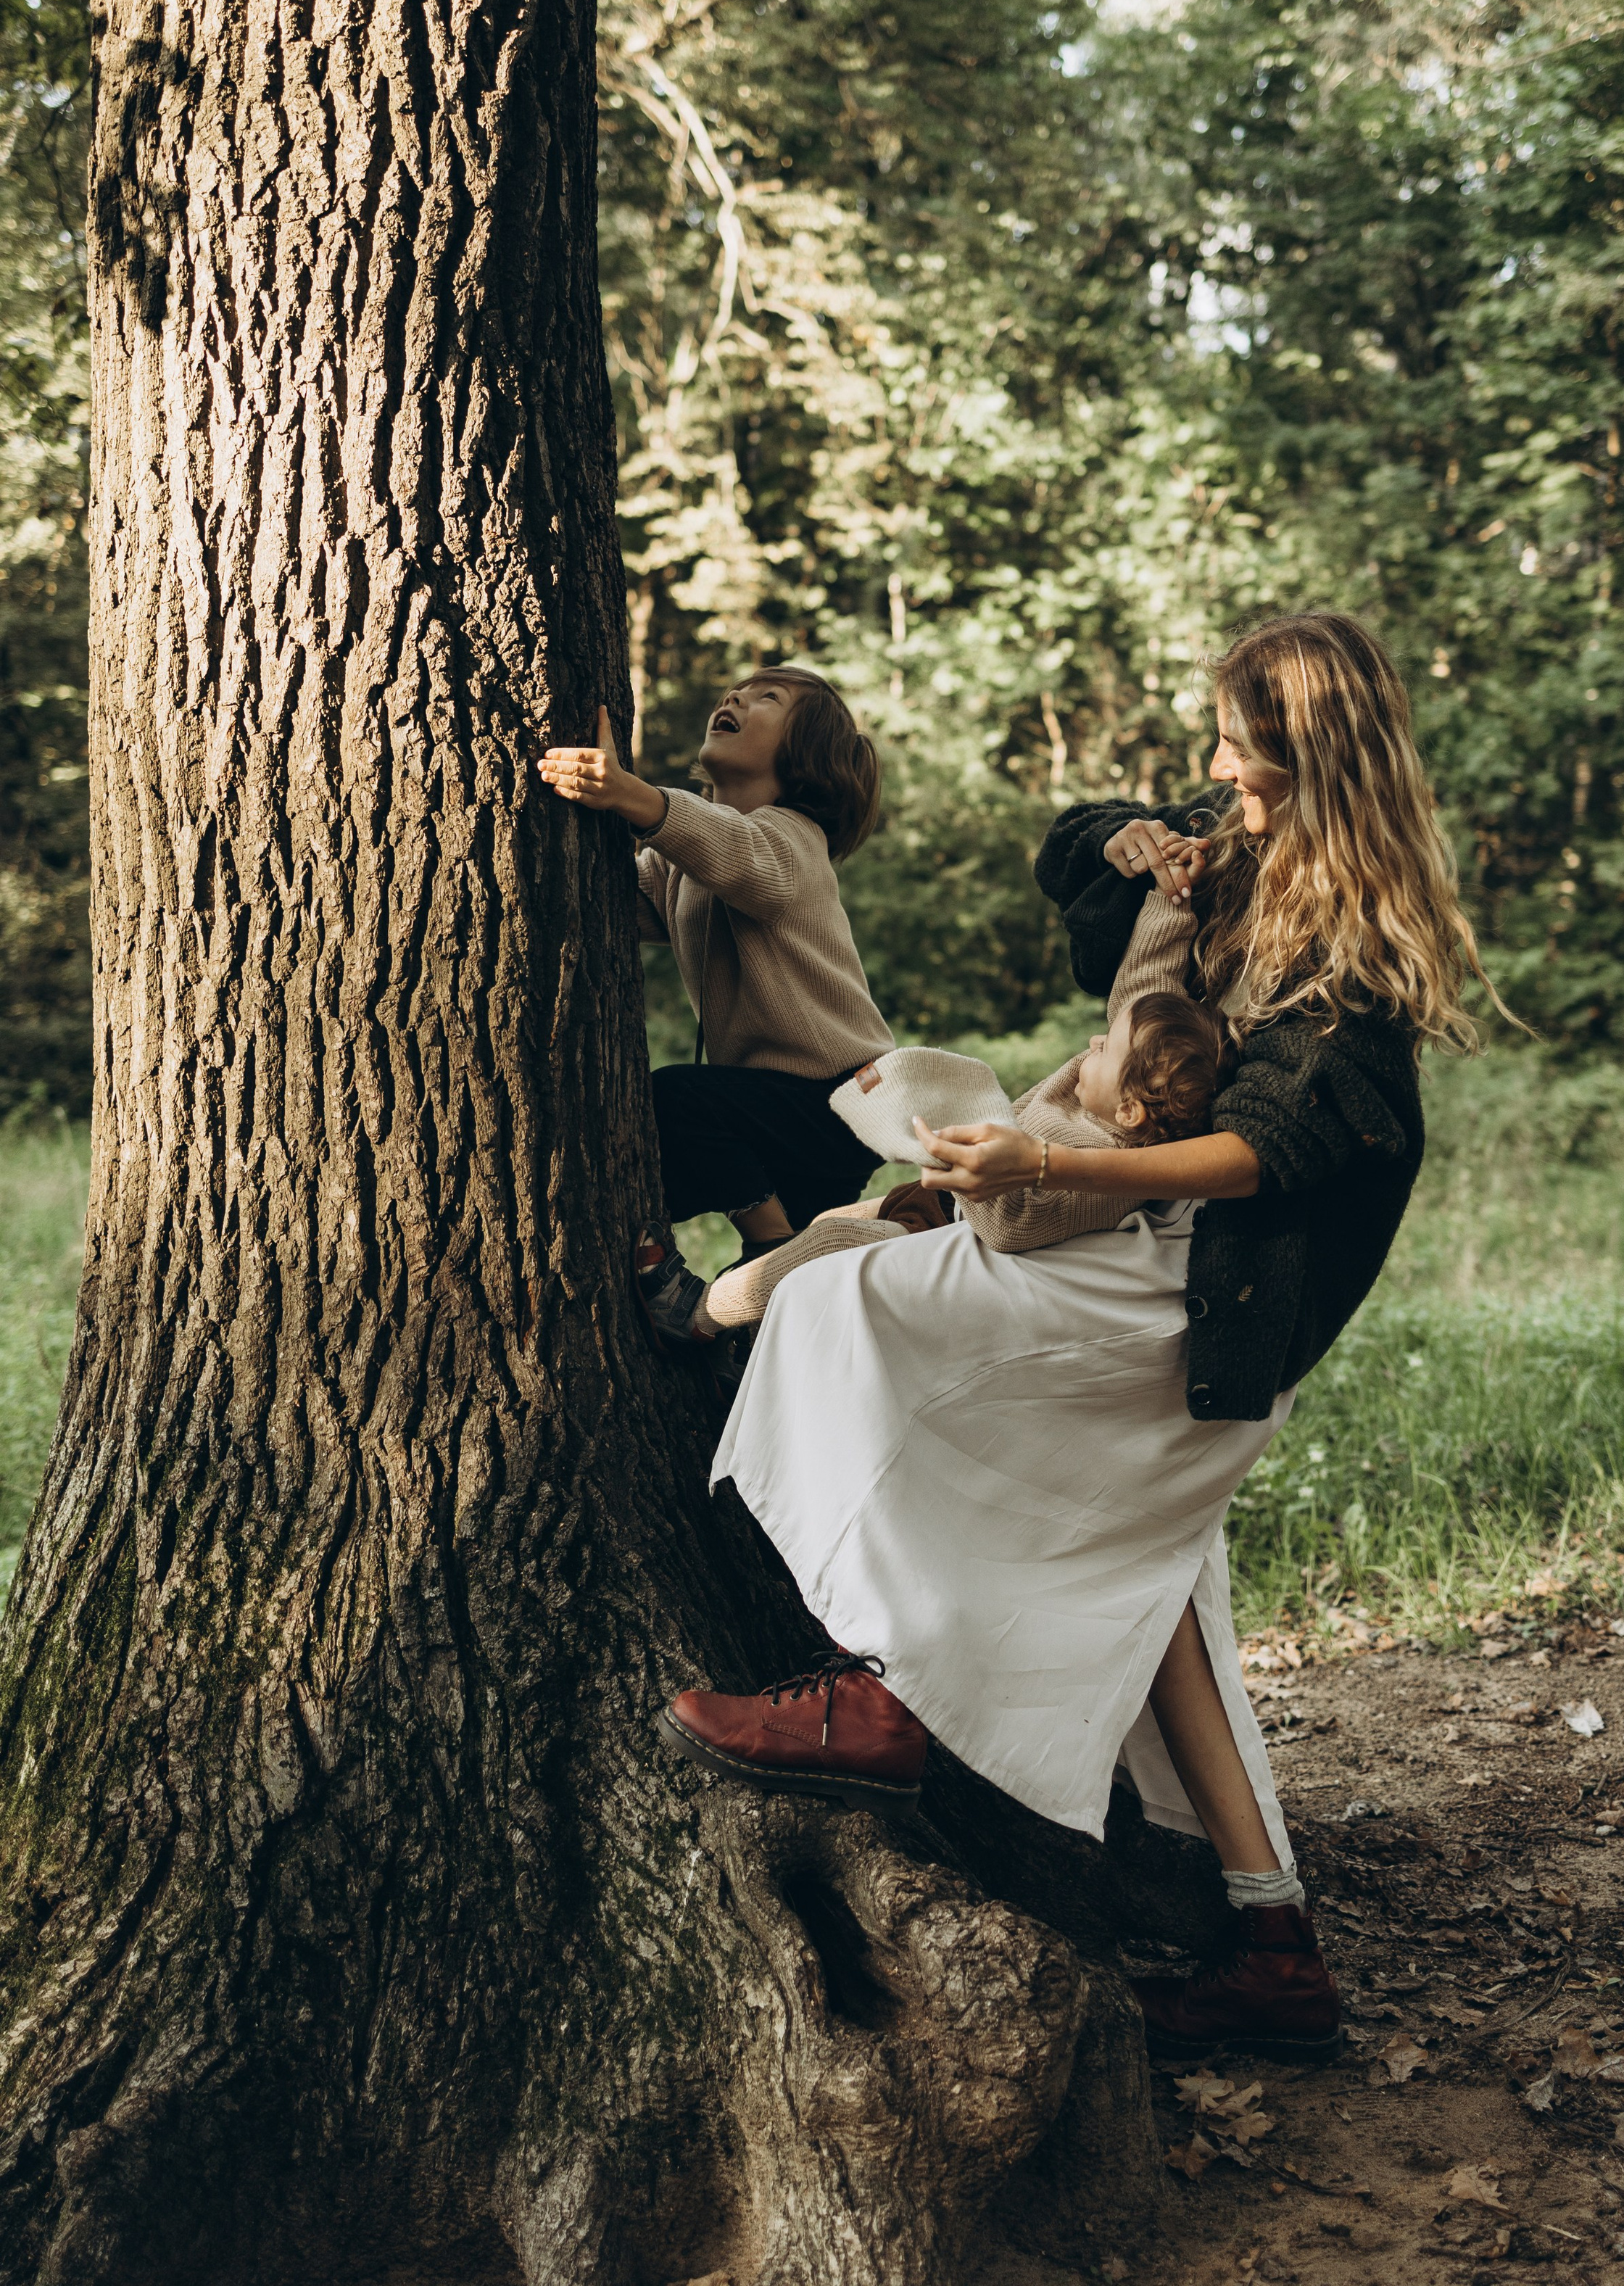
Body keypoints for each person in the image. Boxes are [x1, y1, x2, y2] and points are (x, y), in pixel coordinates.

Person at [659, 612, 1505, 2064]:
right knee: (1153, 1594)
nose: (1219, 771)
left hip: (1196, 1295)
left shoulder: (1348, 948)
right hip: (1163, 1266)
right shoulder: (1237, 849)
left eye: (1240, 751)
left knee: (847, 1302)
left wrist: (1045, 1164)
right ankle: (1273, 1950)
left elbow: (1265, 1152)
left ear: (1311, 759)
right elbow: (1074, 860)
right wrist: (1123, 841)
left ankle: (881, 1692)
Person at [694, 882, 1222, 1337]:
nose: (1094, 1042)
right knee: (826, 1222)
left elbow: (1012, 1229)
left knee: (832, 1240)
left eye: (1107, 1049)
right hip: (939, 1203)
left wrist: (963, 1141)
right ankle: (748, 1337)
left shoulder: (1107, 1177)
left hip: (948, 1232)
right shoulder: (1122, 1088)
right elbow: (1143, 987)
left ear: (1129, 1112)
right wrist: (1169, 900)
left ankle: (700, 1314)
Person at [539, 667, 890, 1340]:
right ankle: (757, 1339)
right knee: (667, 1177)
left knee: (674, 1102)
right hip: (773, 1109)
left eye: (768, 698)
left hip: (839, 1099)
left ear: (803, 755)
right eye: (736, 690)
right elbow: (620, 900)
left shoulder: (792, 838)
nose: (733, 698)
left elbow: (742, 857)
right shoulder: (681, 861)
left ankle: (767, 1251)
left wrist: (631, 794)